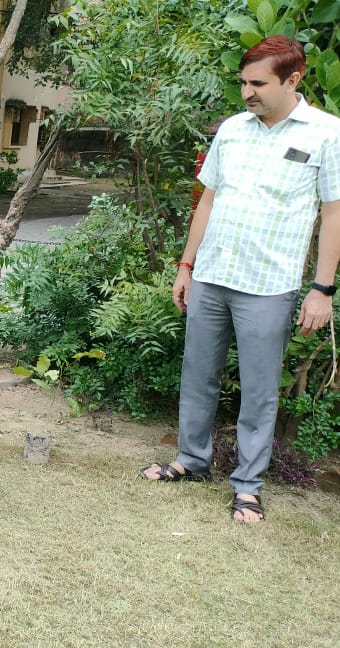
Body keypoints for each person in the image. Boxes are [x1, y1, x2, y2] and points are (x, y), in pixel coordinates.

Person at [139, 35, 340, 524]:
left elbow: (334, 212)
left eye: (258, 83)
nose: (247, 92)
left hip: (269, 285)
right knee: (198, 377)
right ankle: (191, 461)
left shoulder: (325, 133)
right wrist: (187, 266)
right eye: (243, 82)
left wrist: (322, 289)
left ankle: (247, 486)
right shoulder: (232, 129)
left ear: (292, 80)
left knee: (258, 390)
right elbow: (207, 201)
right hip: (212, 275)